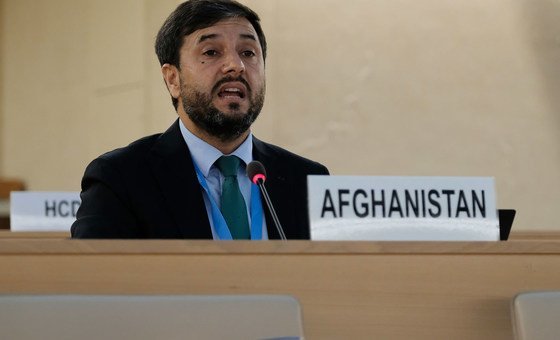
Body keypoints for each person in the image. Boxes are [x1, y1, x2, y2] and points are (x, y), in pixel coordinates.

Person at [71, 0, 329, 239]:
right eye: (212, 52)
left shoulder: (307, 180)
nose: (235, 65)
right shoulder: (121, 179)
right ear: (173, 79)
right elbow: (96, 282)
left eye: (248, 53)